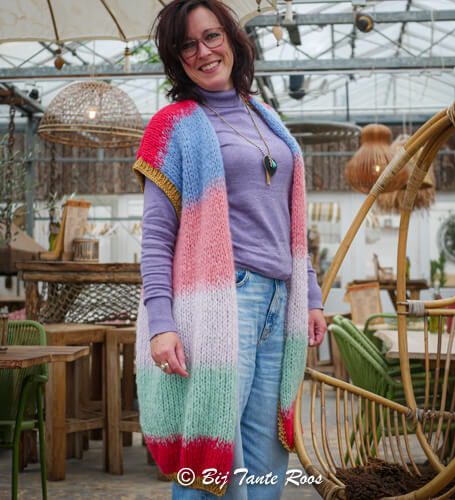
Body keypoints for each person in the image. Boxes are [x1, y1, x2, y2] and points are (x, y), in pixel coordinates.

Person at [134, 0, 327, 498]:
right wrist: (161, 323)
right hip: (222, 302)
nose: (203, 52)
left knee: (266, 454)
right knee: (212, 453)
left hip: (279, 301)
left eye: (212, 37)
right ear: (176, 59)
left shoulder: (266, 116)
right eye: (188, 45)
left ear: (232, 40)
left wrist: (311, 295)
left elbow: (288, 221)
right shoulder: (173, 125)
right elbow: (155, 236)